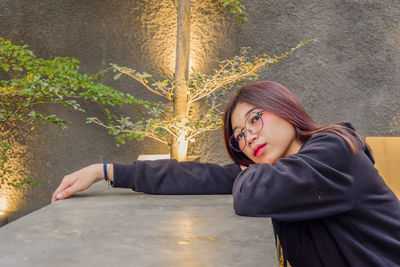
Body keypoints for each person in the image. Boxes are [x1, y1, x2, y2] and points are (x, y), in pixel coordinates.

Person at [52, 81, 400, 267]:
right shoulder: (279, 172)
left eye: (254, 119)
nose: (248, 138)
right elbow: (201, 177)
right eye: (238, 135)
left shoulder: (334, 148)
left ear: (285, 109)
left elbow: (251, 193)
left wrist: (248, 175)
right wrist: (107, 171)